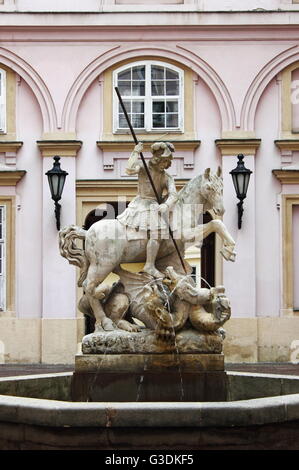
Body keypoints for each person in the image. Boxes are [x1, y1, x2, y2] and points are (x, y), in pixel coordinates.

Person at [117, 141, 177, 278]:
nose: (167, 164)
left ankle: (151, 263)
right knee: (158, 231)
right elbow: (129, 170)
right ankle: (149, 265)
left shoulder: (166, 177)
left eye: (168, 162)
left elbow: (174, 195)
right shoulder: (144, 168)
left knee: (160, 232)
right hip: (142, 204)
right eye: (165, 161)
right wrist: (136, 152)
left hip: (156, 206)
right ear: (158, 159)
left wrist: (166, 205)